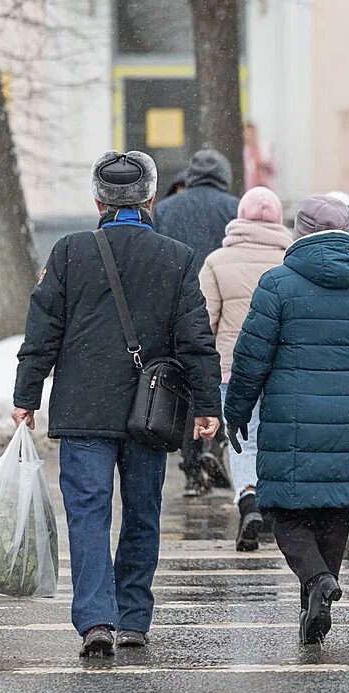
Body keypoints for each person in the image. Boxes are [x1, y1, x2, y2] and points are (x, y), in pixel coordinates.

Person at [12, 150, 222, 657]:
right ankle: (132, 617)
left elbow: (43, 331)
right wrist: (205, 405)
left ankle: (95, 621)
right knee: (143, 512)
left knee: (88, 514)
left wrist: (26, 394)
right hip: (149, 412)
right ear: (150, 199)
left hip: (84, 410)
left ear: (98, 201)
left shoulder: (69, 253)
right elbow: (195, 340)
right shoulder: (176, 258)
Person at [223, 195, 349, 645]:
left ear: (300, 233)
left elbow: (250, 358)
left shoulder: (278, 284)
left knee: (283, 509)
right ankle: (315, 608)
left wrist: (238, 409)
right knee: (335, 507)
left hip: (292, 416)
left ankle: (318, 580)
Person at [199, 186, 293, 552]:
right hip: (282, 368)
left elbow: (205, 320)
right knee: (275, 438)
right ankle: (271, 506)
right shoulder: (290, 261)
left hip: (232, 368)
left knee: (243, 439)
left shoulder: (216, 261)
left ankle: (248, 500)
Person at [154, 149, 240, 496]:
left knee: (184, 385)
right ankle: (212, 443)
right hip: (223, 303)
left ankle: (191, 467)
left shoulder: (165, 209)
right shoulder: (234, 208)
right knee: (215, 378)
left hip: (176, 304)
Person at [242, 122, 276, 190]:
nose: (249, 136)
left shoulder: (264, 150)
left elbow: (274, 170)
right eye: (247, 133)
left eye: (252, 133)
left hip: (265, 186)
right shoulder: (243, 152)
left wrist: (265, 163)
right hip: (249, 188)